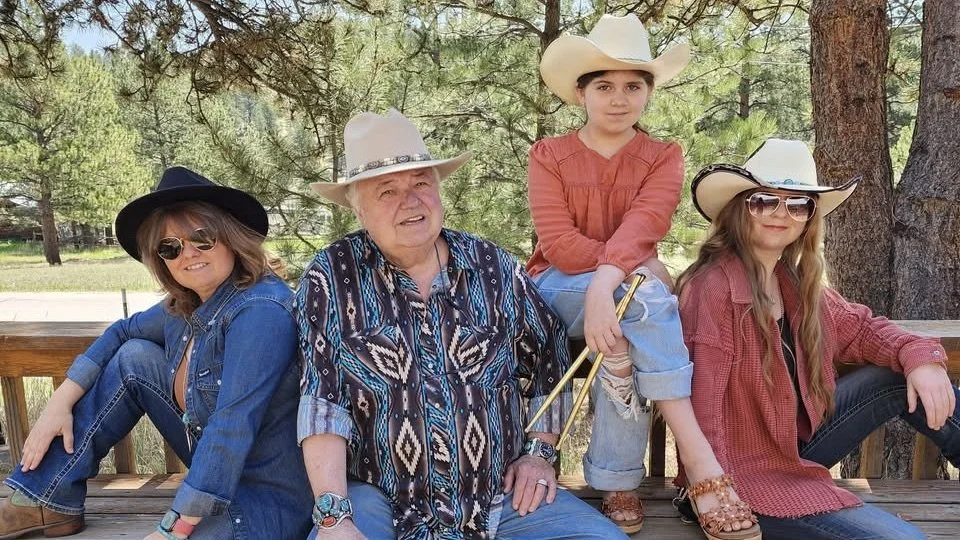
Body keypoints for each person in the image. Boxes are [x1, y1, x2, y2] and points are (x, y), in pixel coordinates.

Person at [296, 108, 626, 539]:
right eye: (387, 191)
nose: (410, 201)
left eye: (420, 183)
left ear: (438, 190)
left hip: (498, 498)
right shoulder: (332, 276)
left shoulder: (492, 267)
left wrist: (540, 454)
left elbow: (550, 357)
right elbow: (323, 404)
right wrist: (334, 518)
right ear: (359, 211)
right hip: (380, 499)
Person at [527, 13, 758, 538]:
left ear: (648, 94)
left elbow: (645, 222)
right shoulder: (549, 155)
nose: (618, 97)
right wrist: (623, 273)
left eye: (633, 86)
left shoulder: (662, 156)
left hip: (623, 293)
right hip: (555, 289)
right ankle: (702, 467)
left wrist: (610, 285)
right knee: (651, 299)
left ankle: (617, 481)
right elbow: (559, 243)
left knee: (626, 339)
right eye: (603, 86)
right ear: (580, 93)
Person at [0, 167, 313, 540]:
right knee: (134, 357)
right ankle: (44, 499)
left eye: (202, 238)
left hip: (263, 501)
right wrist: (60, 402)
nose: (189, 254)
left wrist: (175, 525)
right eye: (170, 247)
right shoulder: (186, 306)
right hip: (213, 474)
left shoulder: (261, 309)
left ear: (230, 237)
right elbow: (122, 331)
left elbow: (232, 427)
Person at [675, 138, 960, 539]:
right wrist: (713, 491)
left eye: (798, 204)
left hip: (794, 447)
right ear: (739, 209)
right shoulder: (713, 287)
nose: (781, 214)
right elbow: (702, 404)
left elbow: (866, 330)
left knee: (895, 374)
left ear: (809, 218)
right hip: (742, 474)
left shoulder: (793, 283)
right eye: (764, 201)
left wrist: (925, 359)